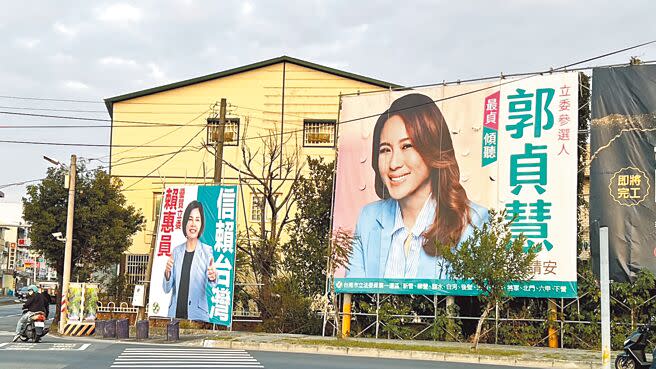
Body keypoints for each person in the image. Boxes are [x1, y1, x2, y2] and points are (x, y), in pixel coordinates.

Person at [346, 93, 489, 279]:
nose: (394, 164)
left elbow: (470, 303)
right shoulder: (369, 218)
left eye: (407, 146)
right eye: (385, 150)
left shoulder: (471, 221)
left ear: (432, 148)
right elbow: (353, 292)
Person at [163, 200, 216, 321]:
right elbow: (166, 289)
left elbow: (213, 281)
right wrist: (167, 272)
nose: (193, 224)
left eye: (197, 220)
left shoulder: (207, 251)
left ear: (201, 224)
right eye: (190, 219)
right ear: (185, 222)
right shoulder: (176, 251)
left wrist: (213, 276)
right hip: (175, 314)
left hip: (197, 315)